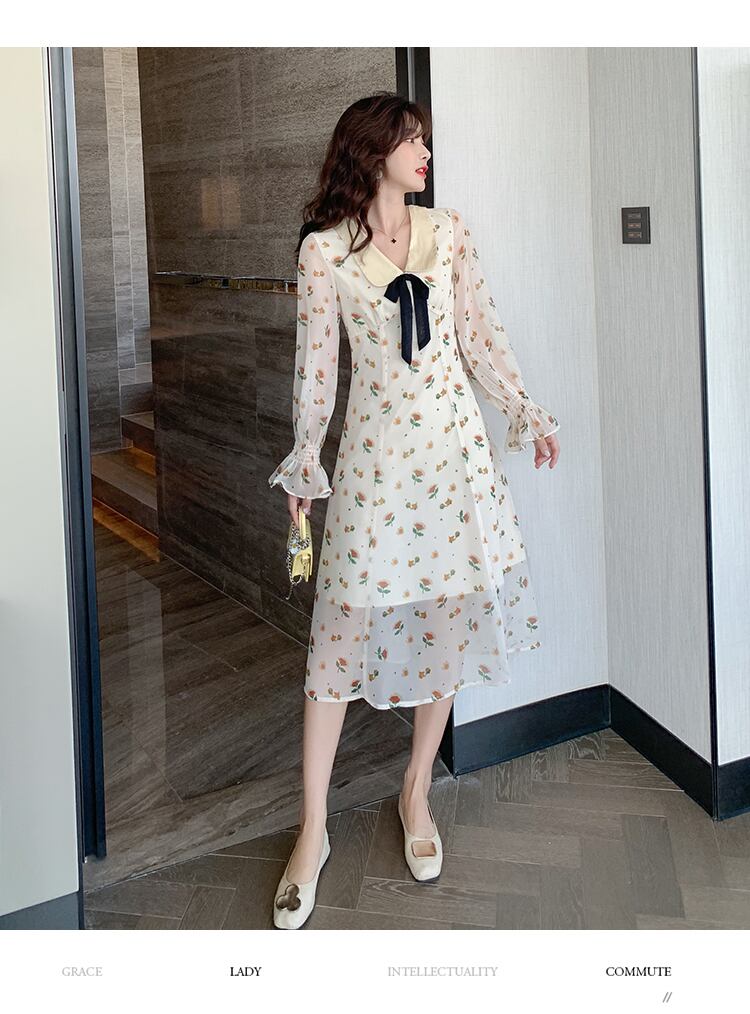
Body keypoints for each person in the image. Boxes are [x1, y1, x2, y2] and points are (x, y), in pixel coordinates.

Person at [268, 91, 560, 929]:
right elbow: (316, 371)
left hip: (455, 459)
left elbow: (480, 337)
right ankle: (313, 828)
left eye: (424, 139)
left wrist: (525, 411)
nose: (424, 152)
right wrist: (305, 465)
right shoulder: (324, 253)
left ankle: (415, 791)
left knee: (447, 627)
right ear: (372, 151)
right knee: (337, 641)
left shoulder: (450, 232)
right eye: (411, 140)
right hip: (375, 466)